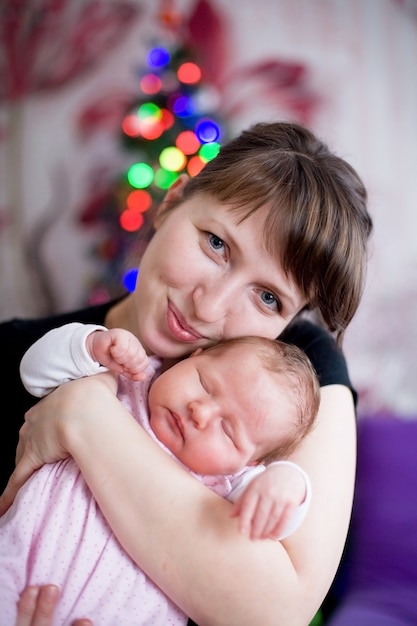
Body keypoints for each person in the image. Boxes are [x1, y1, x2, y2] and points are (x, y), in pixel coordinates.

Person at [0, 121, 373, 626]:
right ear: (172, 200)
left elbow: (276, 611)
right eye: (217, 244)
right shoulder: (19, 351)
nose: (209, 306)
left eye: (268, 298)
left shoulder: (296, 374)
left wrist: (85, 416)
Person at [0, 325, 319, 625]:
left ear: (250, 463)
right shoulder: (127, 379)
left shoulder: (228, 484)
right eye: (204, 384)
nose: (201, 412)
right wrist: (92, 344)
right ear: (193, 357)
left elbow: (276, 522)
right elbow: (34, 373)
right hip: (16, 564)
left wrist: (288, 482)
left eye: (227, 429)